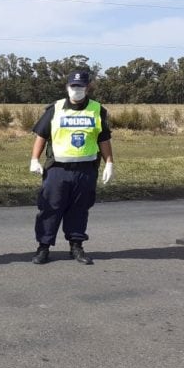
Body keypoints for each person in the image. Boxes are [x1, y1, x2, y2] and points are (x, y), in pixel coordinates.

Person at [29, 70, 114, 265]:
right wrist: (34, 159)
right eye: (73, 86)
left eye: (81, 86)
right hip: (57, 169)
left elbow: (104, 139)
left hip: (85, 169)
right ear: (67, 87)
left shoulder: (97, 109)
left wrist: (109, 162)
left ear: (87, 87)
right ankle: (43, 247)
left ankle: (76, 246)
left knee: (79, 209)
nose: (77, 90)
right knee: (50, 208)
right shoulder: (55, 108)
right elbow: (41, 135)